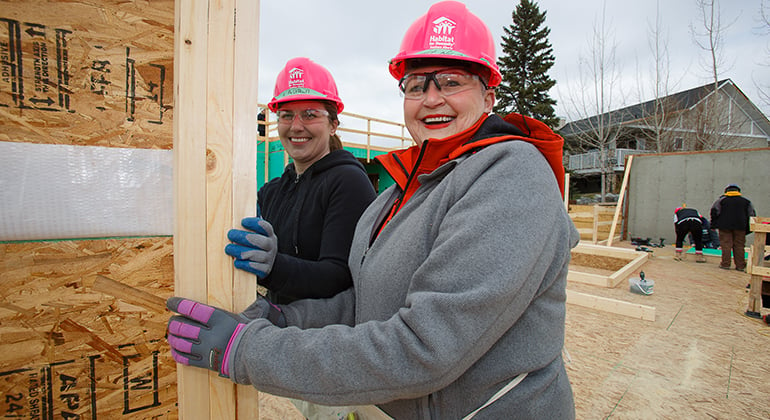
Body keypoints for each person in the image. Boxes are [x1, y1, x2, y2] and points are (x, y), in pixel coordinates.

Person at [167, 2, 578, 418]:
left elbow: (423, 349)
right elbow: (363, 304)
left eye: (451, 82)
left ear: (489, 95)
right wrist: (282, 317)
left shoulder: (510, 176)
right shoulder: (401, 191)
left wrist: (250, 350)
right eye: (417, 86)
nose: (432, 99)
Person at [225, 57, 377, 305]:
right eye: (286, 115)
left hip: (324, 338)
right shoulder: (272, 191)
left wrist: (274, 267)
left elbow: (340, 277)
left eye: (309, 114)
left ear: (333, 125)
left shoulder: (348, 183)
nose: (296, 126)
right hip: (278, 329)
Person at [710, 183, 756, 271]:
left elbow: (714, 212)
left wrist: (713, 224)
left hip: (724, 226)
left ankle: (725, 264)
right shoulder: (746, 202)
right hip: (740, 227)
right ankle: (740, 266)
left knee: (726, 245)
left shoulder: (721, 201)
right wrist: (749, 228)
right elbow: (751, 214)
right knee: (739, 246)